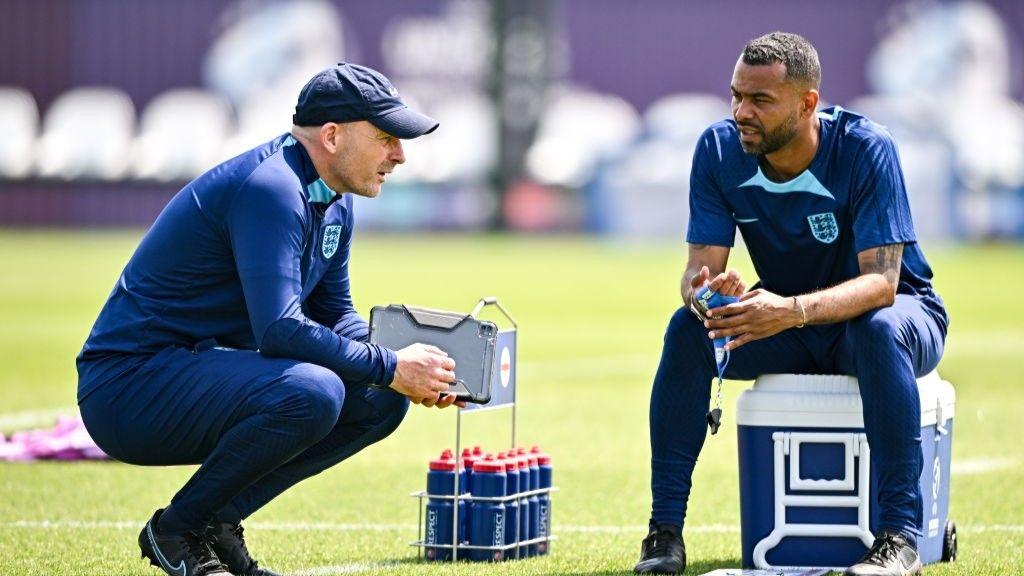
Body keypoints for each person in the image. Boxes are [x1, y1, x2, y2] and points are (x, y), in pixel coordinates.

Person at [77, 63, 463, 576]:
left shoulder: (332, 199)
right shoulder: (272, 189)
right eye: (386, 137)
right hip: (128, 388)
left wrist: (415, 369)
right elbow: (279, 330)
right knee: (313, 391)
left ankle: (215, 522)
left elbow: (333, 317)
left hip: (186, 370)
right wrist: (389, 363)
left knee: (378, 400)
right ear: (331, 135)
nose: (400, 155)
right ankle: (176, 529)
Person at [634, 33, 948, 576]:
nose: (741, 112)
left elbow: (881, 285)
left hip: (895, 317)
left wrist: (791, 311)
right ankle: (664, 535)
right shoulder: (718, 150)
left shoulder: (866, 148)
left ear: (808, 104)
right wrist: (707, 297)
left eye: (760, 101)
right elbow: (695, 271)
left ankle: (899, 540)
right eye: (735, 96)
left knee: (877, 330)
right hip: (790, 318)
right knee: (686, 332)